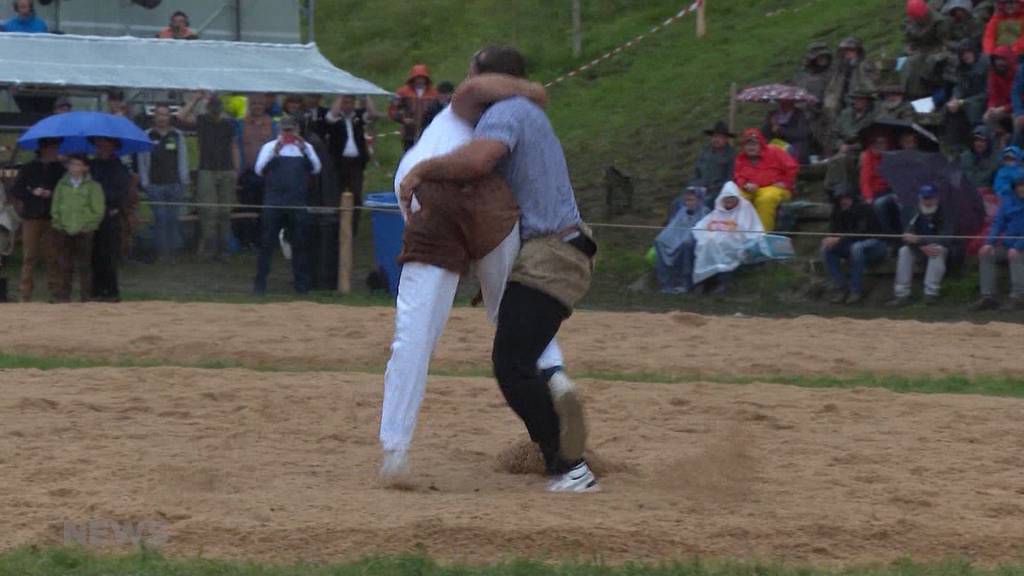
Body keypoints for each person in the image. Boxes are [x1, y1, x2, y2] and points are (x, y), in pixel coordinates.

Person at [398, 45, 599, 493]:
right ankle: (556, 385)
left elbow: (477, 160)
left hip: (551, 253)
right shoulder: (528, 110)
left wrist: (421, 171)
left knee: (510, 364)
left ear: (484, 77)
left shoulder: (506, 111)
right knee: (521, 353)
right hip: (559, 251)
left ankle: (570, 467)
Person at [380, 74, 562, 482]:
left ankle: (395, 451)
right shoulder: (512, 120)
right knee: (514, 311)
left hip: (431, 198)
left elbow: (470, 90)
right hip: (489, 204)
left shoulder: (463, 110)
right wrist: (534, 91)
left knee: (414, 335)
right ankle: (555, 374)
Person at [252, 116, 321, 295]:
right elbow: (259, 169)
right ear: (279, 130)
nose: (288, 134)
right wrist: (275, 151)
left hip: (297, 202)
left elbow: (316, 168)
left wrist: (304, 148)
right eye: (285, 130)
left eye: (291, 130)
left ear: (297, 130)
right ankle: (260, 284)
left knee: (300, 244)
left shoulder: (306, 148)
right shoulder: (269, 147)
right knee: (266, 244)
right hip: (273, 202)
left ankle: (302, 285)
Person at [179, 93, 240, 259]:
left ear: (222, 108)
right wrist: (195, 99)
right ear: (208, 108)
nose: (215, 110)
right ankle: (209, 247)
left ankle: (225, 248)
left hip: (227, 169)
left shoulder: (230, 123)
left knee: (226, 211)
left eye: (218, 107)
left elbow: (233, 146)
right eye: (213, 108)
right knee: (208, 210)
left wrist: (236, 169)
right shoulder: (202, 120)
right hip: (206, 169)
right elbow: (180, 117)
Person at [10, 137, 64, 302]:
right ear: (44, 149)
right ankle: (25, 292)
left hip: (50, 216)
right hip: (31, 217)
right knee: (29, 256)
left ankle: (55, 291)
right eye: (52, 148)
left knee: (52, 255)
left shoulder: (59, 169)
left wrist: (52, 194)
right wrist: (33, 193)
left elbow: (64, 191)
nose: (55, 151)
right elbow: (16, 190)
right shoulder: (28, 168)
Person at [888, 184, 955, 306]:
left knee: (936, 250)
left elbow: (947, 238)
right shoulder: (914, 212)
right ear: (920, 198)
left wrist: (922, 241)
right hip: (920, 248)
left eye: (930, 198)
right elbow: (907, 235)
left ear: (936, 198)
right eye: (924, 198)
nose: (927, 201)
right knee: (904, 251)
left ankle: (931, 294)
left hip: (944, 250)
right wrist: (919, 244)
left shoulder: (946, 212)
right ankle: (902, 294)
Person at [692, 182, 765, 293]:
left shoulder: (745, 208)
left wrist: (731, 235)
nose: (729, 201)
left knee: (721, 246)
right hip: (713, 240)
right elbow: (702, 226)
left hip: (735, 241)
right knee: (705, 245)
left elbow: (750, 228)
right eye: (726, 198)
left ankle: (722, 282)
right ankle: (703, 281)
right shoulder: (718, 211)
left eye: (732, 198)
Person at [821, 184, 888, 304]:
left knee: (856, 248)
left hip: (875, 244)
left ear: (851, 197)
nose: (843, 201)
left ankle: (855, 290)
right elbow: (833, 230)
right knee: (826, 249)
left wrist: (839, 238)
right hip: (850, 243)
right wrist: (829, 238)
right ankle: (841, 287)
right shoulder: (837, 210)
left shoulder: (863, 208)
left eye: (846, 198)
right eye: (840, 198)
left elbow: (862, 233)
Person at [50, 155, 104, 303]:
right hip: (64, 230)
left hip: (84, 230)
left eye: (78, 164)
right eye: (72, 164)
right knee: (64, 264)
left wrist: (89, 226)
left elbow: (98, 210)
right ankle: (63, 296)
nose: (74, 167)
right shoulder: (61, 185)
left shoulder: (93, 186)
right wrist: (58, 224)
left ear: (85, 168)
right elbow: (55, 206)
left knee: (84, 264)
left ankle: (85, 296)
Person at [137, 104, 188, 261]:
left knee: (173, 218)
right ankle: (161, 252)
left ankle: (173, 251)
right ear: (154, 116)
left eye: (165, 114)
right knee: (160, 218)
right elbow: (141, 160)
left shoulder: (177, 135)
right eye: (159, 114)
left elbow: (183, 158)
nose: (162, 117)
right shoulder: (147, 135)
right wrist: (145, 183)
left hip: (175, 184)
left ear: (169, 117)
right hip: (154, 184)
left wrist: (184, 181)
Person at [969, 172, 1024, 310]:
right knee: (986, 253)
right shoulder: (1007, 202)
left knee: (1015, 255)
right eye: (1019, 186)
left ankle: (1018, 297)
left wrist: (1017, 246)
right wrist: (989, 243)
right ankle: (988, 296)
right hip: (1008, 246)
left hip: (1019, 248)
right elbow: (997, 224)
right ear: (1014, 188)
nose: (1022, 188)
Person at [89, 137, 133, 302]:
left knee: (108, 255)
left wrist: (100, 195)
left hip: (110, 214)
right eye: (99, 145)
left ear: (113, 147)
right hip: (92, 216)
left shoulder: (119, 168)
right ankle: (96, 291)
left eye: (106, 146)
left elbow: (120, 192)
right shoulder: (91, 166)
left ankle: (111, 291)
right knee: (94, 255)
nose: (102, 149)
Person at [733, 128, 798, 231]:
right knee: (737, 198)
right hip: (751, 188)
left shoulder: (775, 151)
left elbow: (792, 167)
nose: (751, 147)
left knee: (765, 199)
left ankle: (762, 236)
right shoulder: (740, 158)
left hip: (774, 187)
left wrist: (786, 183)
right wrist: (745, 185)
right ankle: (737, 233)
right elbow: (738, 175)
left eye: (754, 144)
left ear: (761, 144)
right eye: (748, 144)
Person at [236, 93, 278, 249]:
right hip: (247, 173)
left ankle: (264, 240)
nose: (257, 107)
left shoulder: (272, 125)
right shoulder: (240, 124)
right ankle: (246, 240)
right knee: (247, 207)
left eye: (260, 104)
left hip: (268, 174)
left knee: (266, 208)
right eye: (253, 104)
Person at [325, 95, 370, 231]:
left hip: (356, 163)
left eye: (350, 102)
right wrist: (340, 94)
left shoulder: (358, 117)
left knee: (356, 194)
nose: (347, 105)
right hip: (338, 163)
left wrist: (365, 94)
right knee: (337, 194)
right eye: (344, 102)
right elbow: (332, 115)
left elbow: (372, 114)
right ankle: (337, 227)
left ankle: (353, 228)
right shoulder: (334, 118)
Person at [654, 185, 708, 293]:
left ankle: (685, 283)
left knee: (685, 245)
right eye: (687, 200)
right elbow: (672, 227)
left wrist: (688, 238)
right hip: (677, 238)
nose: (689, 203)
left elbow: (702, 231)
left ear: (699, 199)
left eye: (692, 200)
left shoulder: (705, 212)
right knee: (660, 241)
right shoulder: (682, 211)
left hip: (693, 242)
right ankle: (666, 284)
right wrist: (663, 238)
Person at [944, 39, 990, 151]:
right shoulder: (962, 67)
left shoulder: (986, 63)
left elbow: (988, 91)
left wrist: (962, 102)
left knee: (972, 109)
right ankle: (954, 147)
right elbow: (959, 86)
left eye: (968, 52)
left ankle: (975, 145)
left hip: (984, 99)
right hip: (966, 99)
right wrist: (955, 98)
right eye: (963, 54)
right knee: (948, 110)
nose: (966, 56)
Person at [823, 37, 879, 127]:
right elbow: (832, 86)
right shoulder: (839, 67)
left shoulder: (865, 65)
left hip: (858, 100)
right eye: (844, 50)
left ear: (857, 51)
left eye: (851, 50)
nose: (847, 52)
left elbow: (871, 84)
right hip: (840, 101)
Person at [793, 41, 834, 155]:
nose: (822, 59)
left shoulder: (833, 73)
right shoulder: (803, 74)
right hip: (804, 113)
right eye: (819, 57)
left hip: (823, 113)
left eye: (825, 57)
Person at [389, 64, 441, 151]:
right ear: (412, 78)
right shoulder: (402, 92)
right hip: (408, 134)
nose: (420, 80)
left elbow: (440, 111)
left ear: (426, 78)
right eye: (417, 77)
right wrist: (403, 119)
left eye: (422, 77)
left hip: (428, 133)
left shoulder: (434, 93)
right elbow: (392, 110)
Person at [692, 121, 735, 207]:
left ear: (726, 139)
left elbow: (730, 179)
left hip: (717, 191)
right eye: (714, 136)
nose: (716, 139)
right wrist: (695, 186)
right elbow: (696, 173)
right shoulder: (704, 152)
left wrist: (714, 187)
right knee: (678, 202)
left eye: (720, 137)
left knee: (705, 203)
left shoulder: (731, 155)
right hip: (700, 188)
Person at [761, 98, 812, 163]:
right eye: (780, 101)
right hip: (777, 144)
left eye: (786, 101)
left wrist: (780, 130)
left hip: (795, 147)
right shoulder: (773, 114)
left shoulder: (799, 114)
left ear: (793, 102)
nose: (782, 103)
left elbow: (802, 134)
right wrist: (769, 124)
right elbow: (764, 133)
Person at [983, 45, 1017, 128]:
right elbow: (992, 95)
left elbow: (1021, 100)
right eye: (997, 59)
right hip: (1002, 108)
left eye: (1002, 59)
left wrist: (1004, 108)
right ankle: (996, 138)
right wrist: (991, 108)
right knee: (987, 117)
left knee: (1016, 120)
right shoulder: (993, 74)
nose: (999, 62)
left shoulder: (1018, 74)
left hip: (1018, 109)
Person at [962, 125, 1000, 190]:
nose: (979, 143)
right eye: (976, 140)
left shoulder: (996, 160)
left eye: (983, 141)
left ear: (989, 142)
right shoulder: (964, 157)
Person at [859, 134, 890, 203]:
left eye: (884, 143)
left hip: (888, 189)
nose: (884, 145)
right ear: (873, 144)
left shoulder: (886, 156)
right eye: (880, 143)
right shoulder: (867, 157)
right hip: (876, 192)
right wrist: (868, 196)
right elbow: (865, 179)